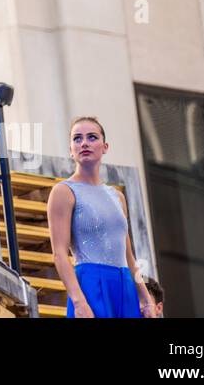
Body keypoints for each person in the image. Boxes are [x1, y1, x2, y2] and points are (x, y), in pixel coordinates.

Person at [47, 117, 157, 318]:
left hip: (124, 284)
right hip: (90, 283)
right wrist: (79, 301)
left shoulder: (117, 197)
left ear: (105, 147)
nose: (84, 143)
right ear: (71, 149)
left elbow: (129, 256)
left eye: (92, 137)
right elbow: (59, 254)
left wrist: (144, 296)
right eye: (77, 139)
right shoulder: (63, 191)